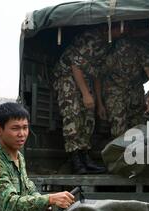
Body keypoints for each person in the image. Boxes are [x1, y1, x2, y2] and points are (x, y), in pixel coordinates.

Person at [52, 26, 108, 174]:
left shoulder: (105, 45)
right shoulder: (91, 38)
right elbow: (75, 66)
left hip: (85, 79)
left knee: (88, 118)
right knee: (73, 115)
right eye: (122, 28)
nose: (125, 30)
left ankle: (85, 157)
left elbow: (97, 75)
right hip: (67, 77)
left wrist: (99, 103)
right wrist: (85, 94)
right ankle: (76, 160)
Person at [96, 32, 149, 138]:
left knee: (138, 126)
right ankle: (121, 152)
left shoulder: (140, 52)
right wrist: (100, 104)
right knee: (118, 127)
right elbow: (98, 78)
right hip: (114, 90)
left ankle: (137, 152)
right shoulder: (110, 56)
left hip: (135, 89)